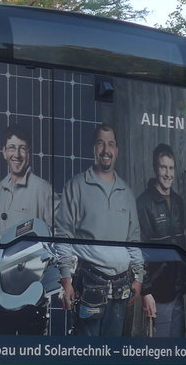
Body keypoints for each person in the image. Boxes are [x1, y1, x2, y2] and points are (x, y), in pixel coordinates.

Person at [56, 124, 146, 336]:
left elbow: (134, 240)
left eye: (111, 144)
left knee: (111, 357)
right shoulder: (76, 186)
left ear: (117, 151)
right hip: (88, 285)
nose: (106, 150)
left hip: (121, 289)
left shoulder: (126, 192)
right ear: (93, 149)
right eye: (100, 143)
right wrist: (66, 279)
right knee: (86, 356)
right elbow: (63, 236)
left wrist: (139, 277)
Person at [137, 143, 186, 336]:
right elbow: (139, 251)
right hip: (157, 292)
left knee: (177, 349)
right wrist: (145, 291)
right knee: (159, 353)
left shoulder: (179, 202)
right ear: (155, 168)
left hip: (178, 289)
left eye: (171, 168)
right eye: (163, 167)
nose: (168, 174)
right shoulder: (144, 203)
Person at [0, 124, 54, 241]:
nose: (17, 155)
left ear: (29, 154)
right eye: (12, 148)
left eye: (23, 148)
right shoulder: (2, 188)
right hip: (5, 259)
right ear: (4, 152)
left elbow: (61, 230)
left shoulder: (43, 189)